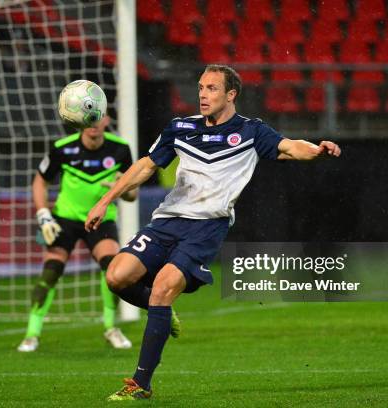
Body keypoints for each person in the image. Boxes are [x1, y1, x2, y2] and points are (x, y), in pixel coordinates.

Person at [84, 64, 342, 400]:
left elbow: (290, 147)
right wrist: (105, 201)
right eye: (201, 87)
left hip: (206, 227)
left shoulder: (251, 131)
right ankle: (160, 310)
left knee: (162, 288)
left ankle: (140, 384)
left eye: (212, 89)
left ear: (231, 94)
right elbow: (145, 166)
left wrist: (318, 151)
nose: (203, 95)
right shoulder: (180, 128)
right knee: (117, 277)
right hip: (167, 221)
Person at [17, 115, 138, 352]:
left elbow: (132, 196)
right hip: (65, 219)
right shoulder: (63, 148)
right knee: (51, 271)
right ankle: (32, 333)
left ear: (107, 120)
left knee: (113, 269)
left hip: (101, 219)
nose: (93, 124)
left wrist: (122, 186)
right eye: (88, 118)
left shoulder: (121, 149)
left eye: (98, 118)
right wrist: (43, 214)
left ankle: (111, 328)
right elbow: (39, 182)